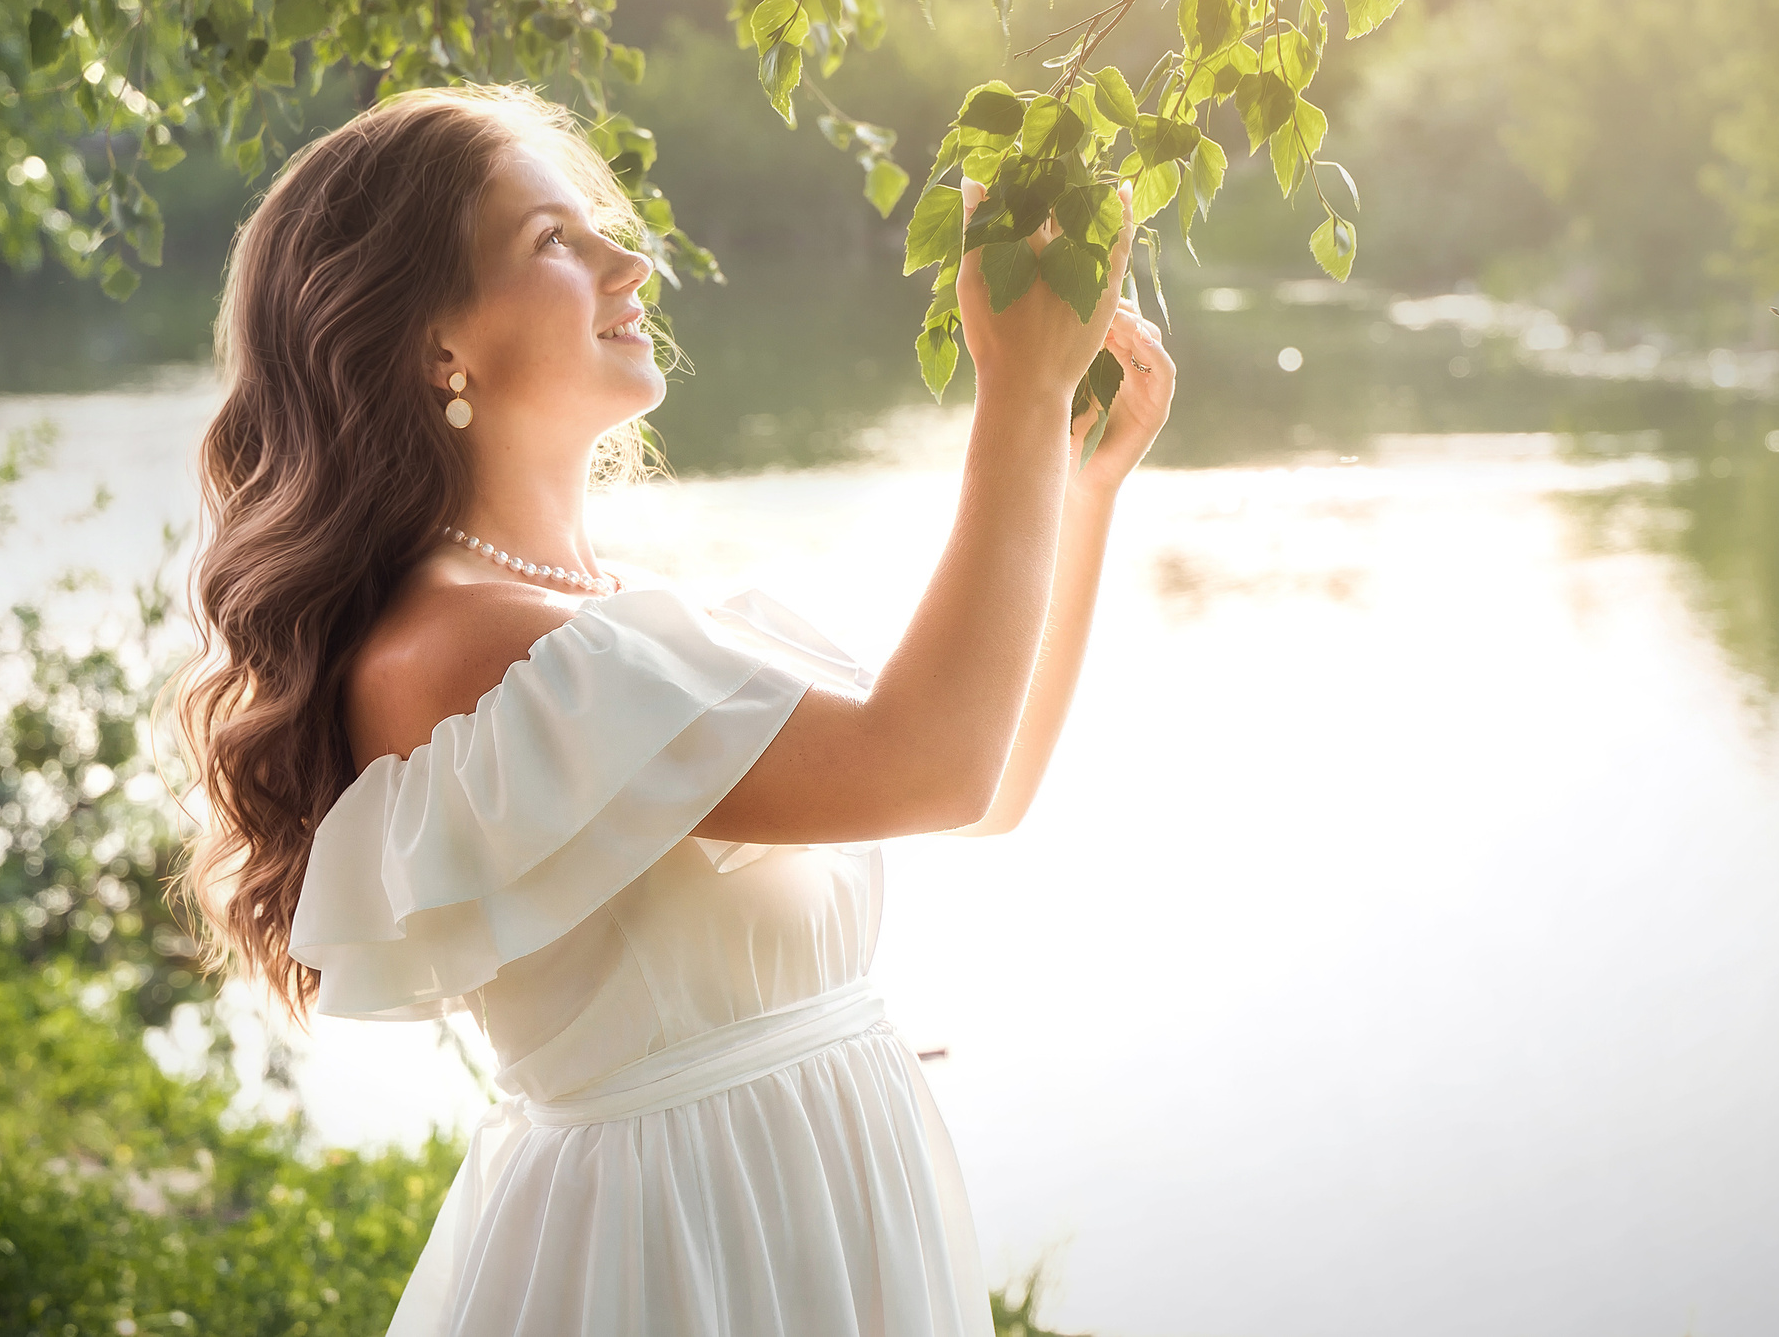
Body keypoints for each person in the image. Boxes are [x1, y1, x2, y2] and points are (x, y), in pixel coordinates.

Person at [171, 83, 1175, 1335]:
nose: (628, 258)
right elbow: (934, 766)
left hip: (799, 1204)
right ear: (439, 346)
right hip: (683, 1250)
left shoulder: (606, 619)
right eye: (553, 241)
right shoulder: (464, 643)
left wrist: (1079, 491)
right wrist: (1017, 395)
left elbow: (986, 788)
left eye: (599, 223)